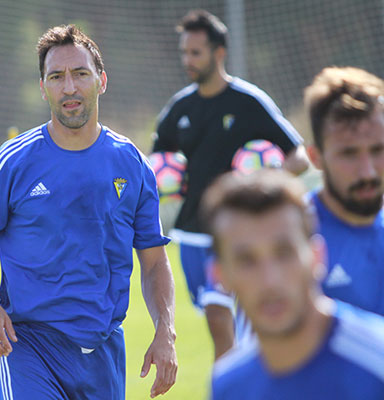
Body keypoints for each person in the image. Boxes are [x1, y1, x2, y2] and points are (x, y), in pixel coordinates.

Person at [0, 24, 177, 400]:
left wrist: (165, 331)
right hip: (28, 346)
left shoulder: (132, 164)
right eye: (56, 77)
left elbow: (153, 261)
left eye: (80, 74)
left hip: (103, 351)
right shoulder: (13, 162)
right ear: (43, 88)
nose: (69, 87)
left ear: (101, 81)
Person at [151, 9, 309, 359]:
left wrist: (265, 179)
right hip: (191, 234)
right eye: (184, 52)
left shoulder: (249, 102)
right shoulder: (180, 108)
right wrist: (163, 180)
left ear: (218, 52)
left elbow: (299, 157)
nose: (187, 60)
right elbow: (157, 163)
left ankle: (235, 385)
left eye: (196, 52)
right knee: (223, 323)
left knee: (220, 317)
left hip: (238, 232)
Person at [201, 169, 384, 399]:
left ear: (317, 257)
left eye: (284, 253)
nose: (270, 280)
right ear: (220, 276)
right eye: (246, 260)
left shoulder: (377, 364)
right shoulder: (229, 386)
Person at [304, 66, 384, 315]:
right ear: (316, 157)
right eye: (349, 153)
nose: (367, 172)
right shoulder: (290, 241)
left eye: (378, 150)